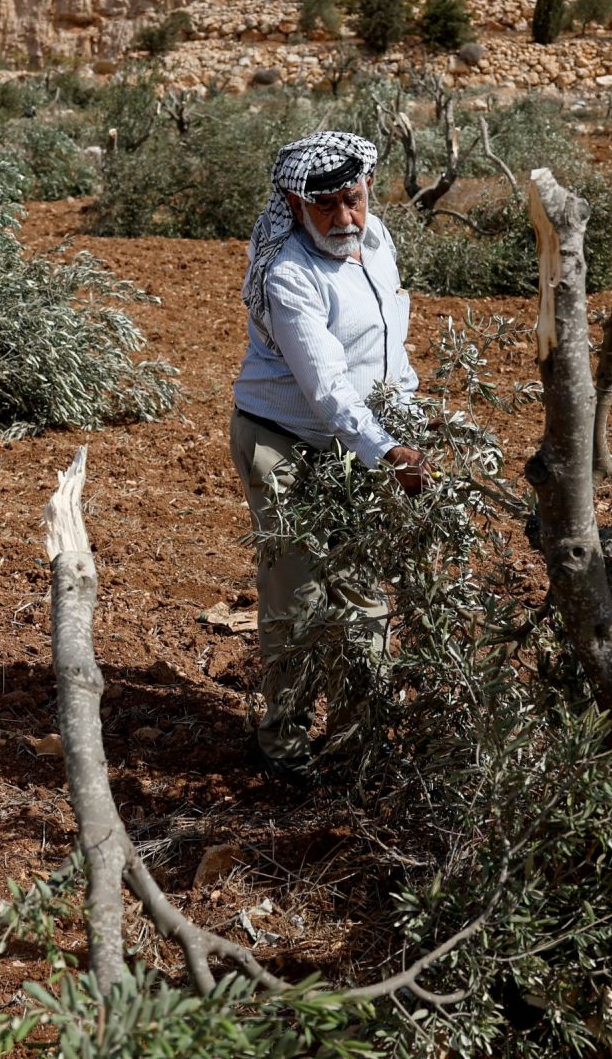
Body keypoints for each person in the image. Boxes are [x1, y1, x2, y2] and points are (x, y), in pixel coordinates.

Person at [229, 130, 428, 785]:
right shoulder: (289, 274)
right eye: (328, 208)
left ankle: (357, 736)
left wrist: (413, 423)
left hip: (358, 442)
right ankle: (283, 743)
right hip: (282, 440)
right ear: (294, 205)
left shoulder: (376, 243)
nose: (345, 218)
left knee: (362, 594)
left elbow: (390, 349)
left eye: (355, 199)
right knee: (298, 597)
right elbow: (327, 390)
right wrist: (387, 450)